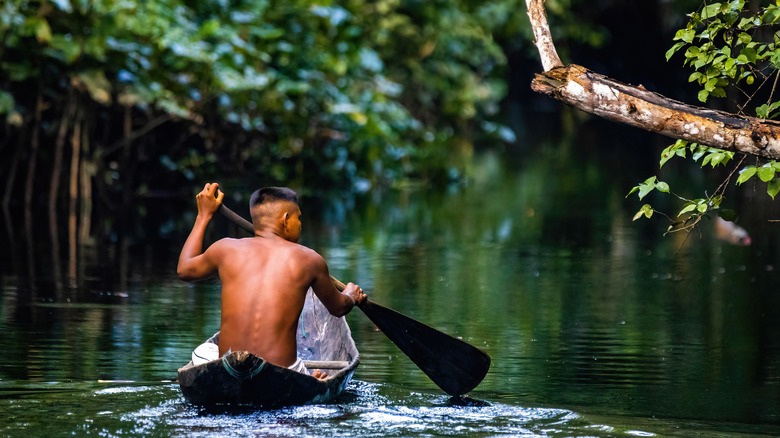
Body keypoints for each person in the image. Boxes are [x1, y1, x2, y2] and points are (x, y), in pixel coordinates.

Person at [177, 182, 366, 378]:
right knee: (304, 373)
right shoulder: (310, 259)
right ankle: (309, 378)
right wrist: (351, 295)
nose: (300, 225)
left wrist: (203, 216)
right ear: (285, 219)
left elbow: (184, 270)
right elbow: (338, 308)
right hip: (283, 373)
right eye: (298, 218)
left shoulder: (225, 249)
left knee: (205, 352)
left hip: (229, 368)